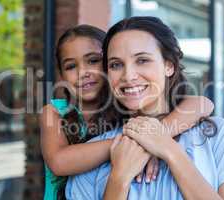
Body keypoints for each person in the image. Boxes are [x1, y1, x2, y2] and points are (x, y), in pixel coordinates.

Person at [65, 17, 224, 200]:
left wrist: (170, 150)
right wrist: (119, 178)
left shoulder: (217, 135)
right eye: (116, 65)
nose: (128, 76)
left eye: (142, 60)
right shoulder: (92, 158)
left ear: (169, 65)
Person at [39, 24, 214, 200]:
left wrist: (158, 138)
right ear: (61, 74)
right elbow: (59, 162)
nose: (83, 72)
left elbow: (203, 103)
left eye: (93, 60)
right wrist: (139, 140)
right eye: (70, 66)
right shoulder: (55, 112)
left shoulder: (125, 106)